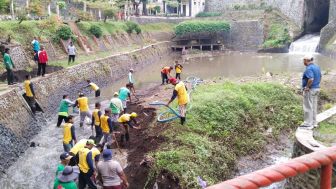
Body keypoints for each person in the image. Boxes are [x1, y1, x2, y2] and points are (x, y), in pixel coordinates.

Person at [301, 54, 321, 129]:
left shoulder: (308, 68)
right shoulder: (317, 67)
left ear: (306, 60)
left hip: (310, 90)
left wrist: (307, 87)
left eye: (303, 60)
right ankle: (314, 122)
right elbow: (320, 77)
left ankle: (307, 123)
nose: (303, 62)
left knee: (308, 106)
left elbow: (311, 79)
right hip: (316, 88)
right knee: (314, 106)